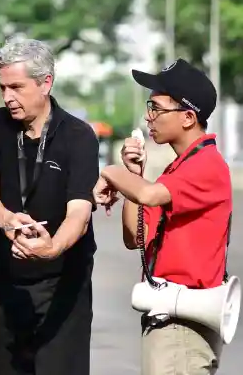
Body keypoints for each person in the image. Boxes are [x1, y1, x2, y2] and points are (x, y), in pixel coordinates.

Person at [93, 58, 231, 375]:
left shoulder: (206, 165)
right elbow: (135, 237)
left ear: (187, 117)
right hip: (168, 321)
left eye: (156, 108)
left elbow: (149, 195)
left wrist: (112, 174)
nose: (147, 116)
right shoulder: (179, 170)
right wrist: (133, 173)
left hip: (183, 325)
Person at [0, 34, 99, 375]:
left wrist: (52, 247)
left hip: (63, 287)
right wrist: (7, 220)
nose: (7, 97)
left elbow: (79, 213)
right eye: (2, 88)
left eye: (16, 87)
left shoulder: (78, 135)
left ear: (46, 83)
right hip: (10, 282)